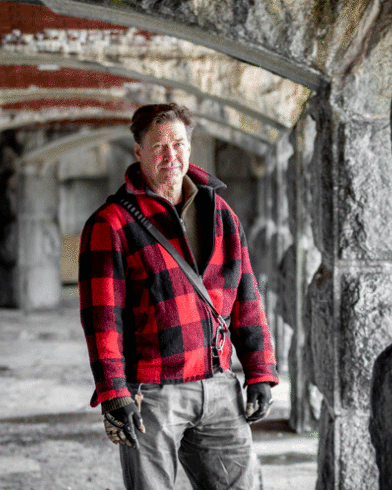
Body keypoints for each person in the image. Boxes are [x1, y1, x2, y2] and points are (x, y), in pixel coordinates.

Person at [78, 103, 278, 490]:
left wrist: (261, 371)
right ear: (138, 152)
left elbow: (246, 299)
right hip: (151, 393)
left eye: (179, 144)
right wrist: (114, 392)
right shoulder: (111, 224)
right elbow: (102, 320)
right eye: (158, 147)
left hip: (220, 385)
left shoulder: (221, 213)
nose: (171, 155)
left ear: (190, 146)